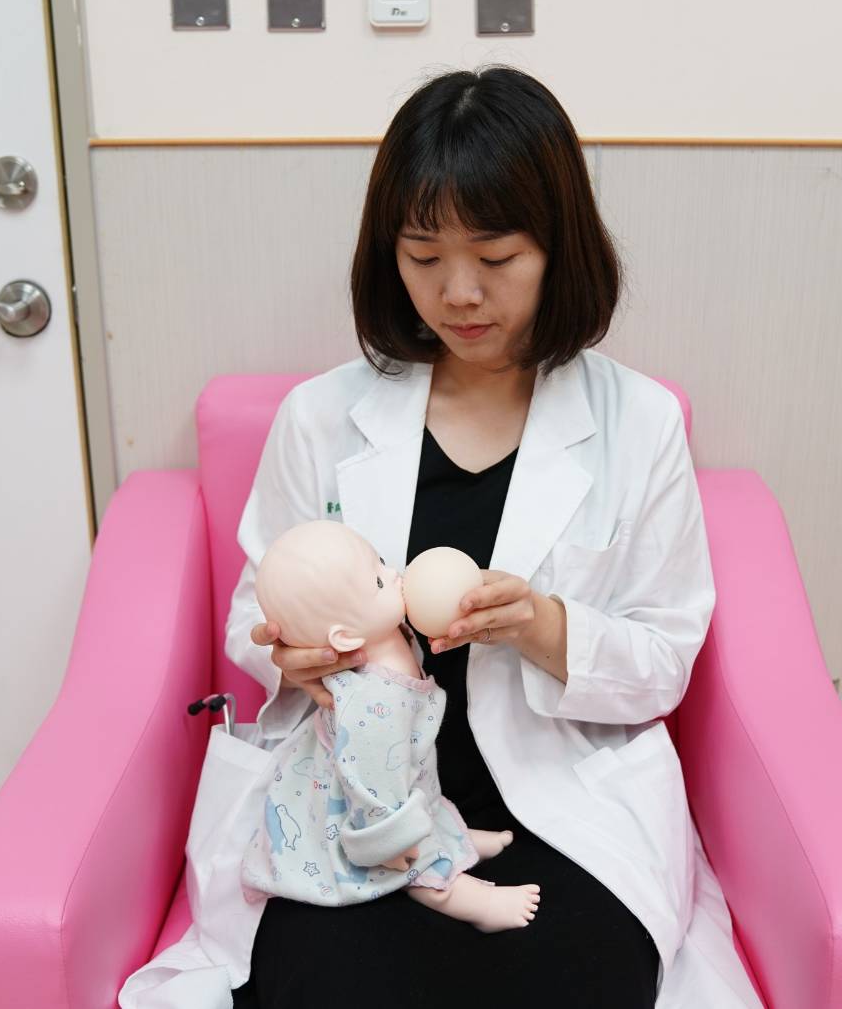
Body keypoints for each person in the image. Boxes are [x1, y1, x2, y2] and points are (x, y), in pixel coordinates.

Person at [215, 66, 757, 1009]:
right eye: (423, 256)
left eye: (496, 257)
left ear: (558, 248)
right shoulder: (321, 417)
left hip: (558, 804)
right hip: (359, 796)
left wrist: (544, 625)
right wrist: (292, 655)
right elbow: (248, 617)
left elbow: (664, 659)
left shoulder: (638, 423)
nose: (458, 293)